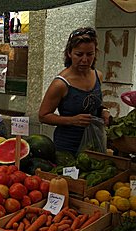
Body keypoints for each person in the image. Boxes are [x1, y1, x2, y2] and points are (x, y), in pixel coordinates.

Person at [39, 27, 110, 155]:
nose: (85, 59)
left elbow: (93, 104)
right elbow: (43, 116)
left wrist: (103, 111)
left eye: (90, 54)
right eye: (79, 54)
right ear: (69, 53)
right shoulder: (60, 84)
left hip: (94, 145)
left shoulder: (98, 75)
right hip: (67, 148)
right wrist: (72, 120)